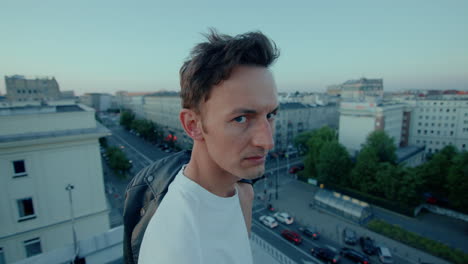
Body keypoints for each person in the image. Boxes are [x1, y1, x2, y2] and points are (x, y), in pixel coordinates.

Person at [138, 29, 280, 264]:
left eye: (271, 114)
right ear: (193, 125)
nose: (267, 141)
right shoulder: (175, 245)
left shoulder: (241, 195)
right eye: (241, 118)